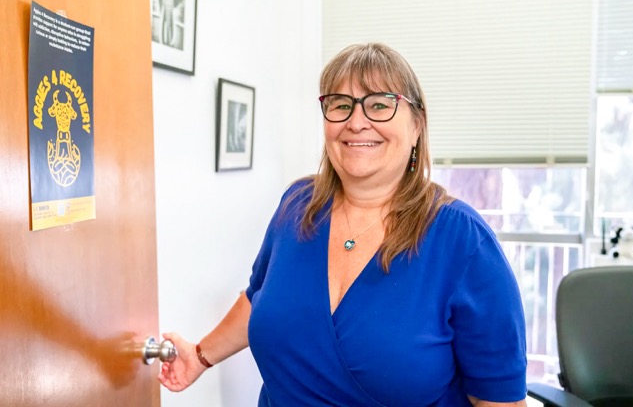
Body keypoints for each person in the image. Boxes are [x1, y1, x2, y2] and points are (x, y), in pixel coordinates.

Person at [158, 43, 528, 406]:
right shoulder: (297, 206)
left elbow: (500, 401)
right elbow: (259, 296)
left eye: (380, 104)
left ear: (417, 125)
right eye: (340, 105)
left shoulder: (463, 242)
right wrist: (200, 355)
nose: (356, 122)